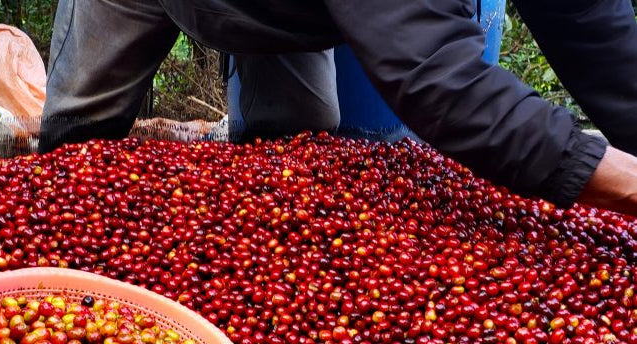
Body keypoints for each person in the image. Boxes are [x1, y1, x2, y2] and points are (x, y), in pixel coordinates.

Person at [40, 0, 637, 217]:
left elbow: (596, 33)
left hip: (294, 14)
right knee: (75, 163)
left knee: (301, 160)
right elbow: (439, 80)